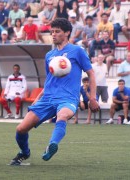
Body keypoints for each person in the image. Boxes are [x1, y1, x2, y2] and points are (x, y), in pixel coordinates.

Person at [9, 18, 99, 165]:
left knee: (62, 116)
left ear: (67, 33)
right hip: (48, 98)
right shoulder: (49, 55)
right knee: (21, 129)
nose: (54, 34)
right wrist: (38, 97)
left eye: (57, 31)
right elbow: (49, 80)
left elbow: (91, 74)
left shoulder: (77, 51)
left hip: (68, 98)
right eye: (52, 32)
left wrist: (93, 98)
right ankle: (24, 153)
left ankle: (52, 145)